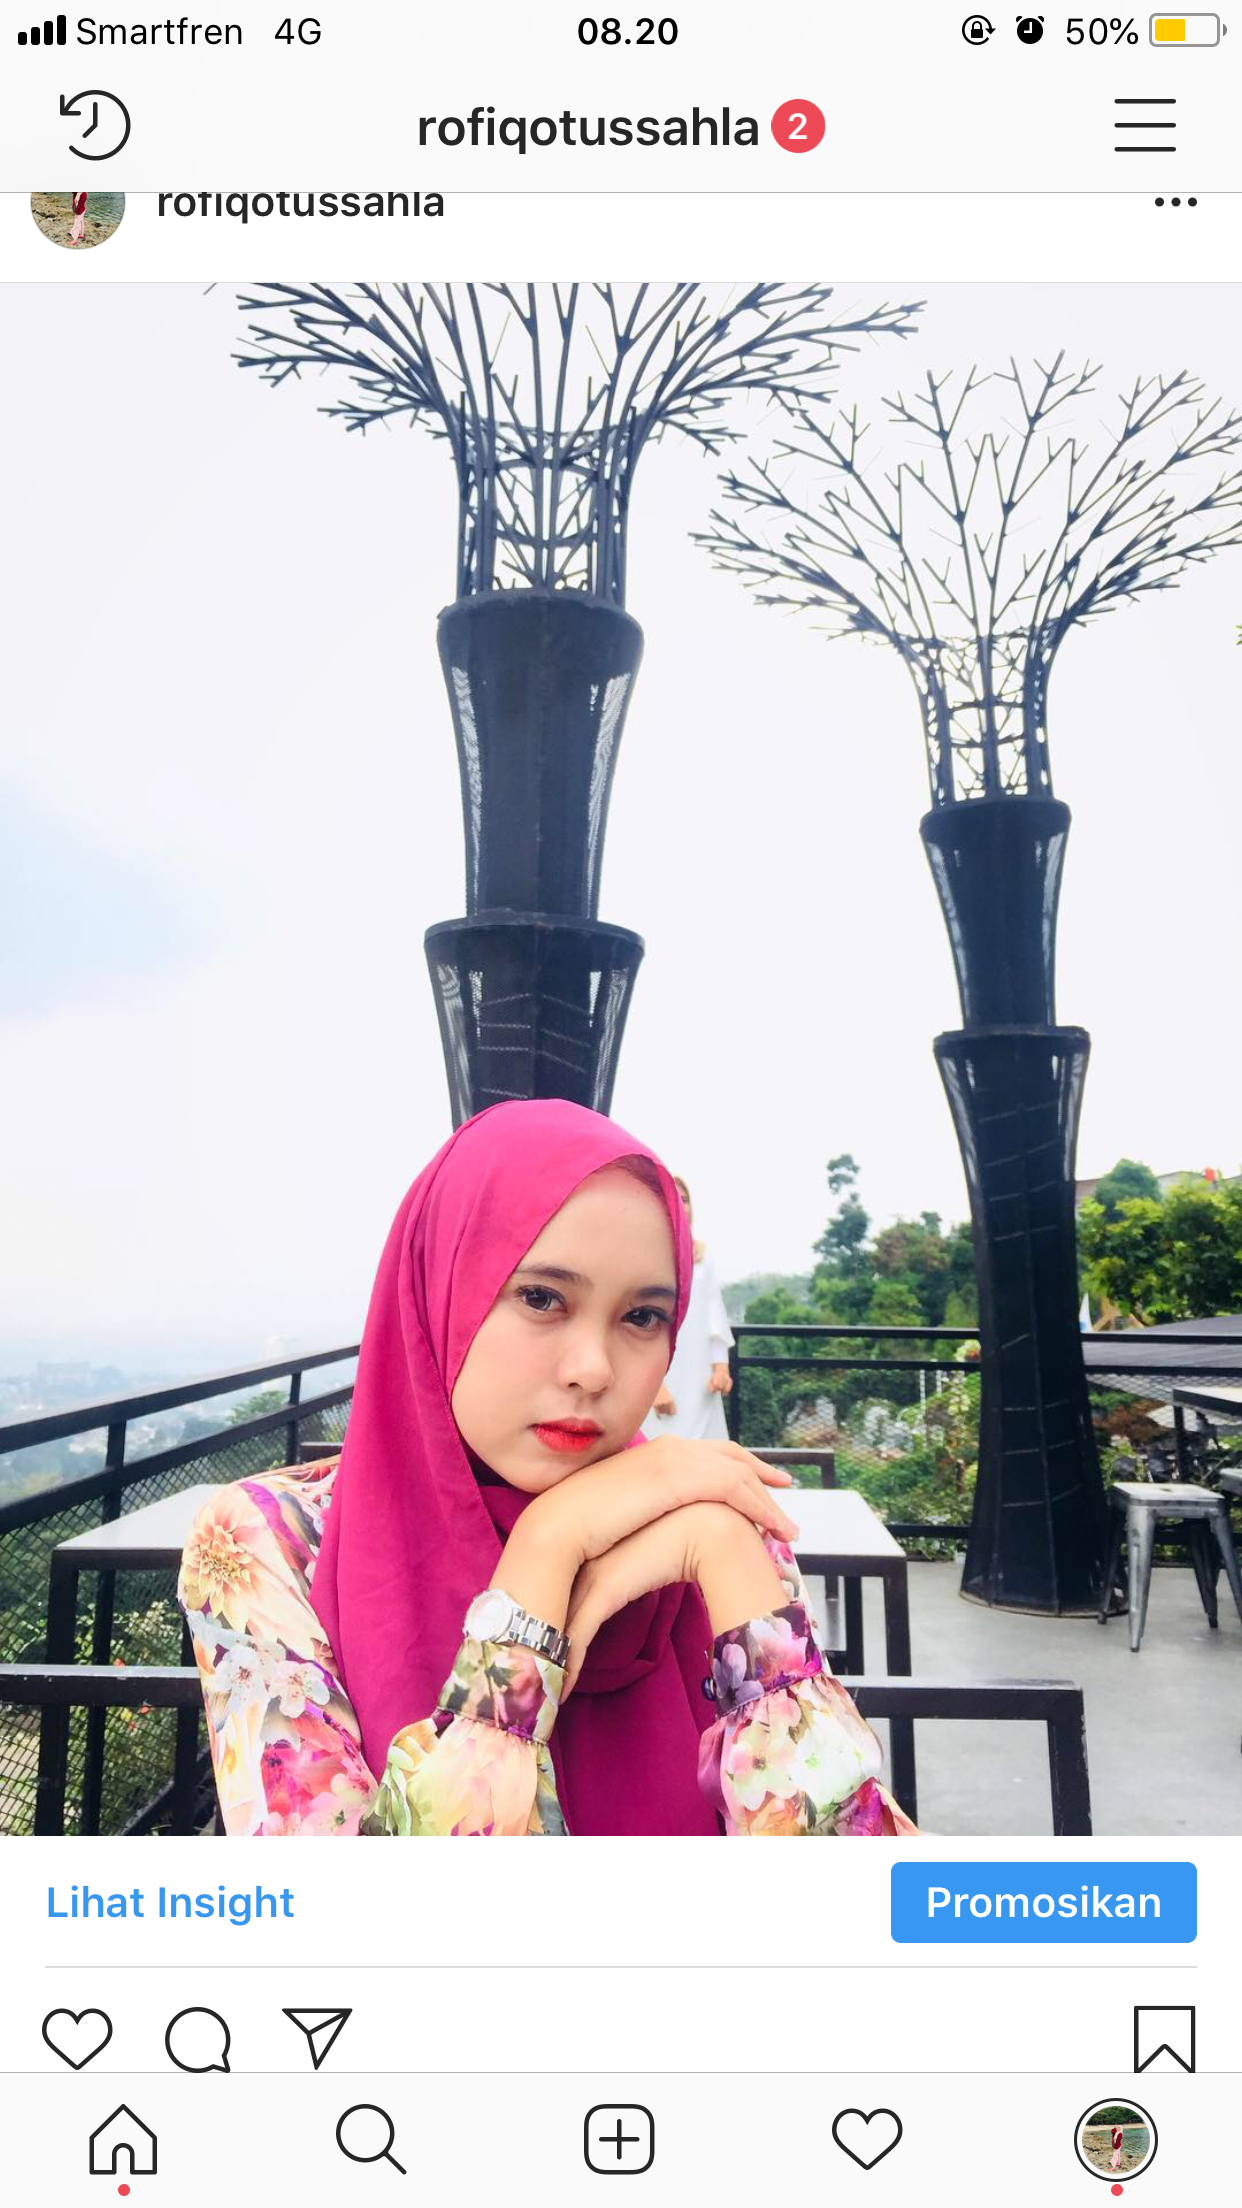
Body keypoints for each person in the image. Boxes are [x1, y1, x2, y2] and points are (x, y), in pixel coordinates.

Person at [178, 1098, 916, 1839]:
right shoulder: (267, 1543)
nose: (593, 1369)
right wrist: (545, 1551)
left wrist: (725, 1553)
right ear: (440, 1290)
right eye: (541, 1298)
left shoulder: (712, 1516)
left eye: (642, 1317)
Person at [642, 1174, 734, 1442]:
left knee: (706, 1453)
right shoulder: (642, 1257)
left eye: (684, 1199)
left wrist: (721, 1368)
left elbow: (714, 1316)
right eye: (671, 1198)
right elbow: (637, 1323)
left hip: (700, 1378)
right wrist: (654, 1387)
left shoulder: (703, 1258)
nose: (680, 1205)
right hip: (659, 1376)